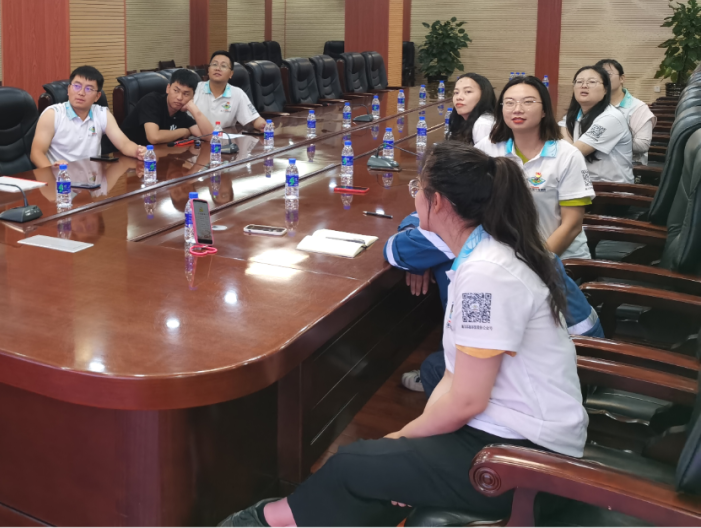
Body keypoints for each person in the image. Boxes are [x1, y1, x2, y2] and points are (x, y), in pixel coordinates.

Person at [219, 142, 587, 528]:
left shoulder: (487, 275)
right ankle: (284, 519)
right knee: (376, 471)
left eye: (417, 189)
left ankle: (265, 521)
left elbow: (467, 399)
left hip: (524, 459)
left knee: (349, 464)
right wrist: (411, 445)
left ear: (437, 201)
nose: (415, 196)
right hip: (506, 433)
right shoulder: (482, 253)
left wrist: (402, 440)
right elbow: (453, 375)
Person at [391, 75, 601, 394]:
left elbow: (571, 225)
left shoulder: (566, 154)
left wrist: (531, 262)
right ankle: (463, 346)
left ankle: (463, 353)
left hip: (552, 258)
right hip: (514, 252)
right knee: (449, 261)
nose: (517, 109)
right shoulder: (488, 149)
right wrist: (419, 259)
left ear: (545, 109)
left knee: (444, 359)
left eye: (528, 102)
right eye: (510, 102)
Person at [30, 65, 147, 167]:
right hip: (61, 180)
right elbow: (36, 154)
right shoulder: (53, 114)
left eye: (89, 89)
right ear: (69, 89)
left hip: (92, 180)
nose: (81, 93)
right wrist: (53, 171)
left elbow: (124, 144)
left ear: (97, 96)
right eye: (77, 86)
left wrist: (138, 151)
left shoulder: (102, 113)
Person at [560, 65, 634, 184]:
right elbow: (564, 131)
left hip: (611, 189)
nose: (584, 85)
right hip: (584, 184)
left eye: (592, 82)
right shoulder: (575, 114)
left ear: (605, 89)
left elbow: (574, 152)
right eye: (579, 82)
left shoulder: (610, 118)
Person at [121, 68, 213, 147]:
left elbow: (210, 137)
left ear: (193, 96)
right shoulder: (151, 101)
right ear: (168, 88)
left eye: (186, 94)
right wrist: (184, 132)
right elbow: (154, 137)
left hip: (156, 155)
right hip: (124, 154)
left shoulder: (181, 113)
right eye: (176, 91)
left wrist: (194, 109)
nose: (179, 97)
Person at [596, 58, 656, 165]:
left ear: (622, 78)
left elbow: (643, 145)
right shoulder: (593, 105)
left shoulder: (638, 108)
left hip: (628, 166)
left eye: (607, 74)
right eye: (599, 76)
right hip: (594, 163)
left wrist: (605, 139)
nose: (603, 79)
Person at [193, 50, 266, 131]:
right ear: (208, 70)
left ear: (231, 74)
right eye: (214, 64)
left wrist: (263, 125)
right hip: (196, 137)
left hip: (224, 137)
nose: (218, 68)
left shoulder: (238, 93)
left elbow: (255, 119)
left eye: (223, 66)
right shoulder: (195, 89)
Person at [446, 73, 496, 144]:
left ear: (484, 95)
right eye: (456, 92)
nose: (459, 97)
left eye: (468, 91)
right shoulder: (464, 120)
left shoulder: (483, 124)